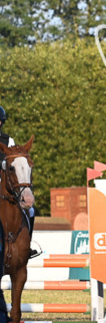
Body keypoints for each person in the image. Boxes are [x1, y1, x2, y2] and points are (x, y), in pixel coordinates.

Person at [0, 106, 39, 260]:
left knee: (30, 211)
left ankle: (26, 246)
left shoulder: (8, 140)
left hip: (4, 181)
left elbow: (15, 161)